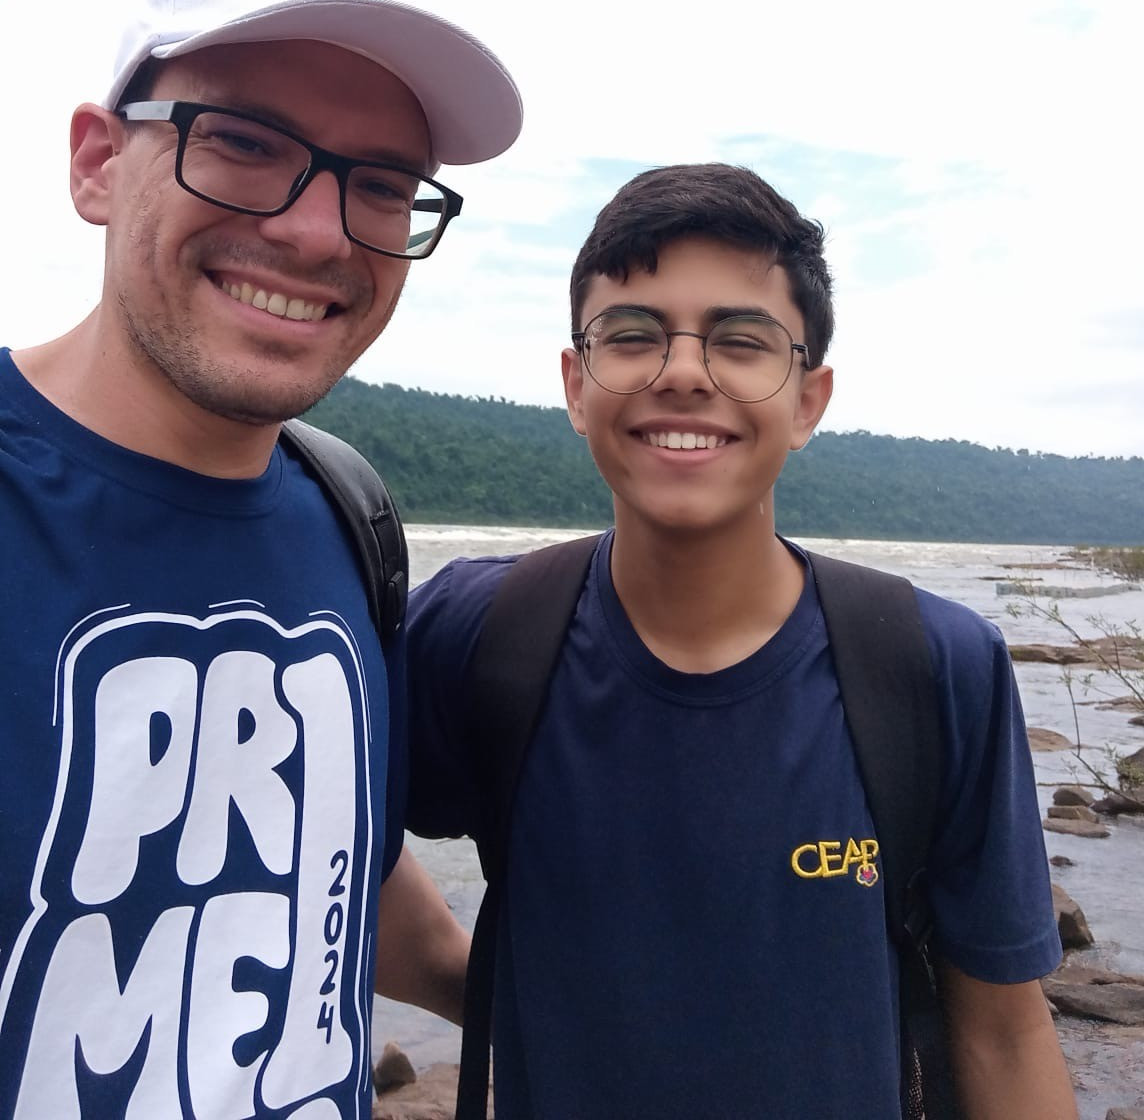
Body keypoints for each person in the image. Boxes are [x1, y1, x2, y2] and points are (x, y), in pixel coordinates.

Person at [405, 163, 1076, 1119]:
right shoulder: (475, 633)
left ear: (808, 399)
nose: (683, 372)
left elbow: (1004, 1031)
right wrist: (478, 987)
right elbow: (320, 837)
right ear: (575, 384)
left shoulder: (930, 664)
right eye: (632, 335)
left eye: (741, 341)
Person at [0, 0, 521, 1118]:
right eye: (242, 143)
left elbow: (333, 864)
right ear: (96, 162)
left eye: (381, 183)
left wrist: (563, 1010)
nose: (320, 232)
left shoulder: (347, 516)